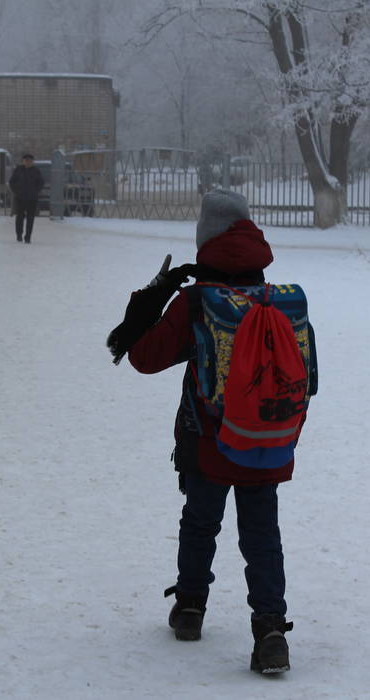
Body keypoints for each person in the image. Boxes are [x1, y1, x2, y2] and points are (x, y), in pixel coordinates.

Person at [107, 190, 299, 675]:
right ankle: (271, 632)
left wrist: (155, 297)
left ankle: (190, 607)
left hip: (207, 439)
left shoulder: (196, 302)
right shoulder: (275, 300)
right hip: (265, 440)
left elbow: (144, 358)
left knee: (199, 523)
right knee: (262, 534)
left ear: (205, 241)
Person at [8, 153, 44, 243]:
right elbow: (12, 182)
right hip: (20, 198)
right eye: (26, 160)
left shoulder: (36, 171)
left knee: (30, 218)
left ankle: (28, 237)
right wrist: (16, 191)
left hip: (32, 199)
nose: (28, 162)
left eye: (30, 161)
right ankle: (19, 234)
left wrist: (36, 191)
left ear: (32, 162)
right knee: (19, 217)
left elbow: (41, 182)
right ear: (23, 161)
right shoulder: (18, 170)